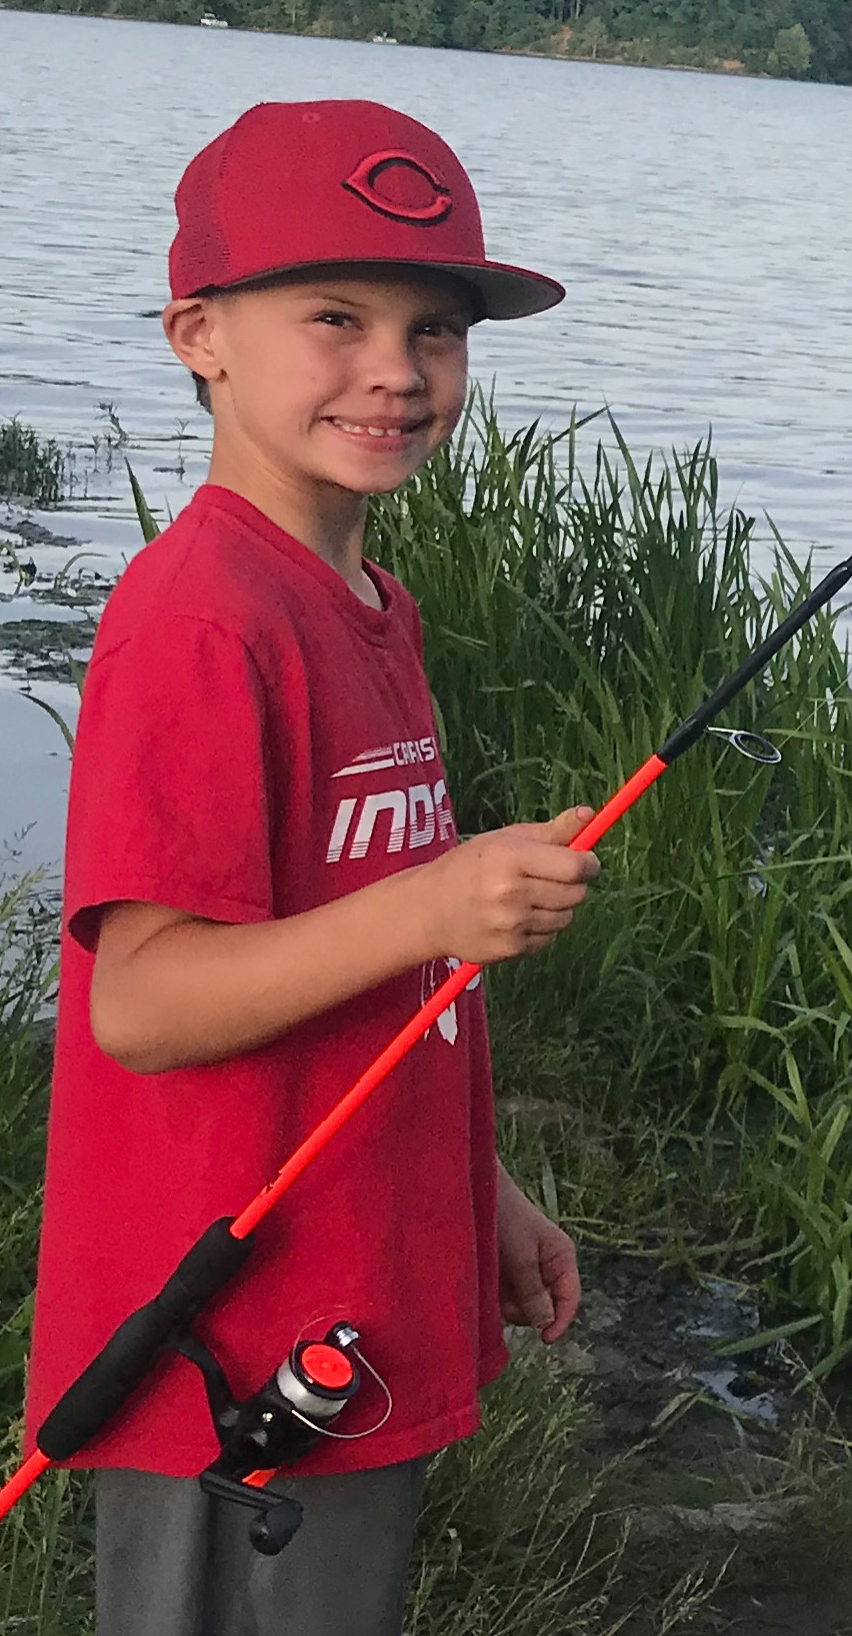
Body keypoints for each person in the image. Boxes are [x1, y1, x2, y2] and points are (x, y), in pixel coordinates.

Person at [24, 99, 600, 1636]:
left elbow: (374, 979)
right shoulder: (202, 616)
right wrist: (434, 902)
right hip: (224, 1350)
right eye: (335, 318)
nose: (397, 370)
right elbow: (143, 1003)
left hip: (351, 1292)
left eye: (436, 329)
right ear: (200, 335)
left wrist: (483, 1190)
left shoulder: (369, 604)